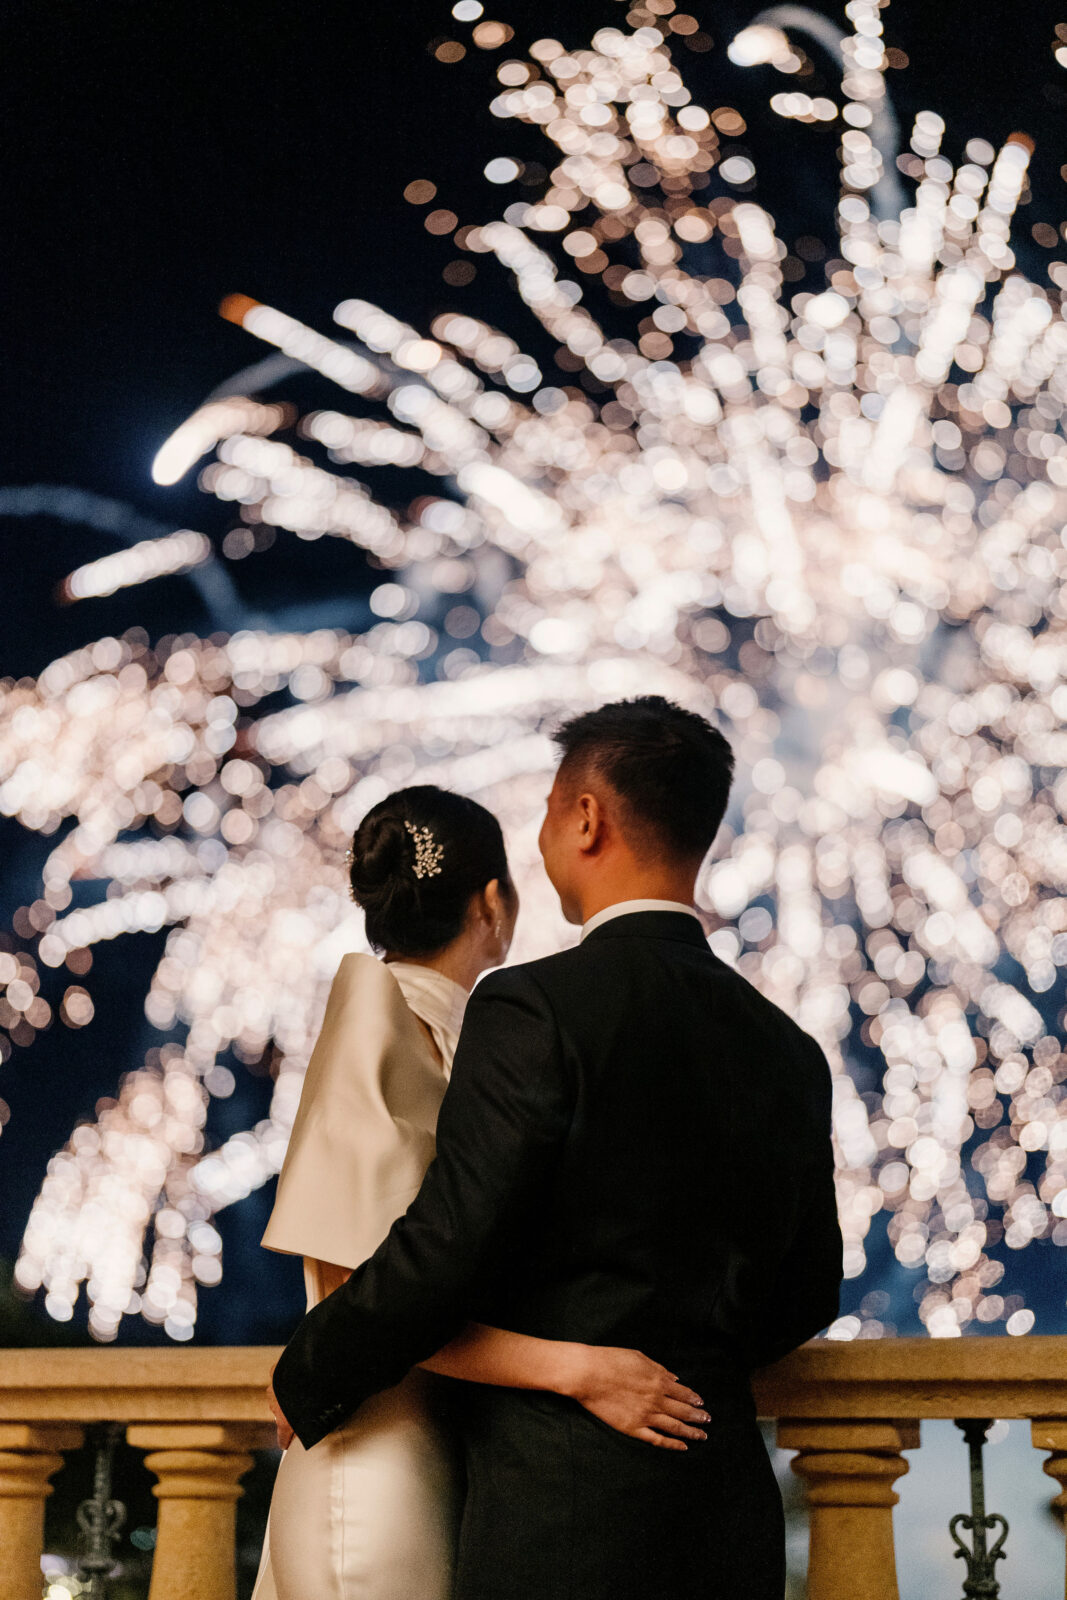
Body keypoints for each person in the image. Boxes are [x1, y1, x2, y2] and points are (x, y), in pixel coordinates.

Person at [270, 698, 843, 1600]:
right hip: (725, 1507)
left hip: (559, 1511)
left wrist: (311, 1368)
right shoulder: (787, 1048)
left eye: (545, 807)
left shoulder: (531, 1008)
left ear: (586, 818)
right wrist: (686, 1366)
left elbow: (444, 1246)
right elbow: (809, 1289)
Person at [253, 783, 708, 1600]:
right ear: (493, 902)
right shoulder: (377, 1019)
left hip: (445, 1449)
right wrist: (581, 1370)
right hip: (379, 1466)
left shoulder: (472, 1032)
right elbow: (372, 1298)